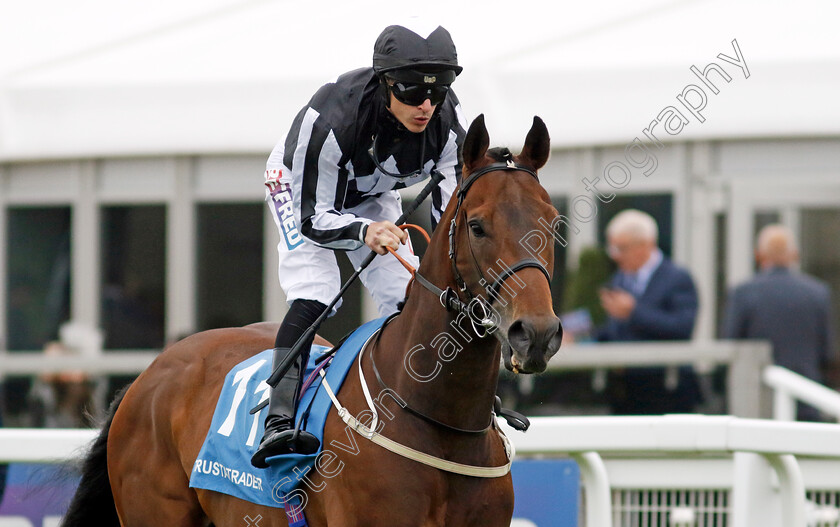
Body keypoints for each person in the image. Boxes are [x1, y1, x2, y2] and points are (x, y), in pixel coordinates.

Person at [251, 23, 466, 468]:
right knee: (318, 290)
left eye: (437, 92)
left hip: (369, 193)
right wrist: (365, 233)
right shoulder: (332, 119)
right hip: (299, 187)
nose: (425, 105)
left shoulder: (445, 125)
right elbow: (313, 216)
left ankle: (437, 399)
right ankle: (278, 419)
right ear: (386, 84)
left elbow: (452, 217)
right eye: (410, 92)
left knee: (409, 296)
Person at [723, 224, 836, 421]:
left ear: (758, 255)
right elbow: (827, 353)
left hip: (756, 401)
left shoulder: (743, 294)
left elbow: (729, 348)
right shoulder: (818, 293)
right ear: (795, 255)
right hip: (807, 397)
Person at [595, 209, 701, 414]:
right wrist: (581, 338)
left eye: (622, 248)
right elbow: (613, 332)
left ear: (646, 245)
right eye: (613, 249)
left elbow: (682, 328)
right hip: (624, 391)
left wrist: (633, 312)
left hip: (666, 392)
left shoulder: (677, 278)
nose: (616, 256)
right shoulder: (620, 279)